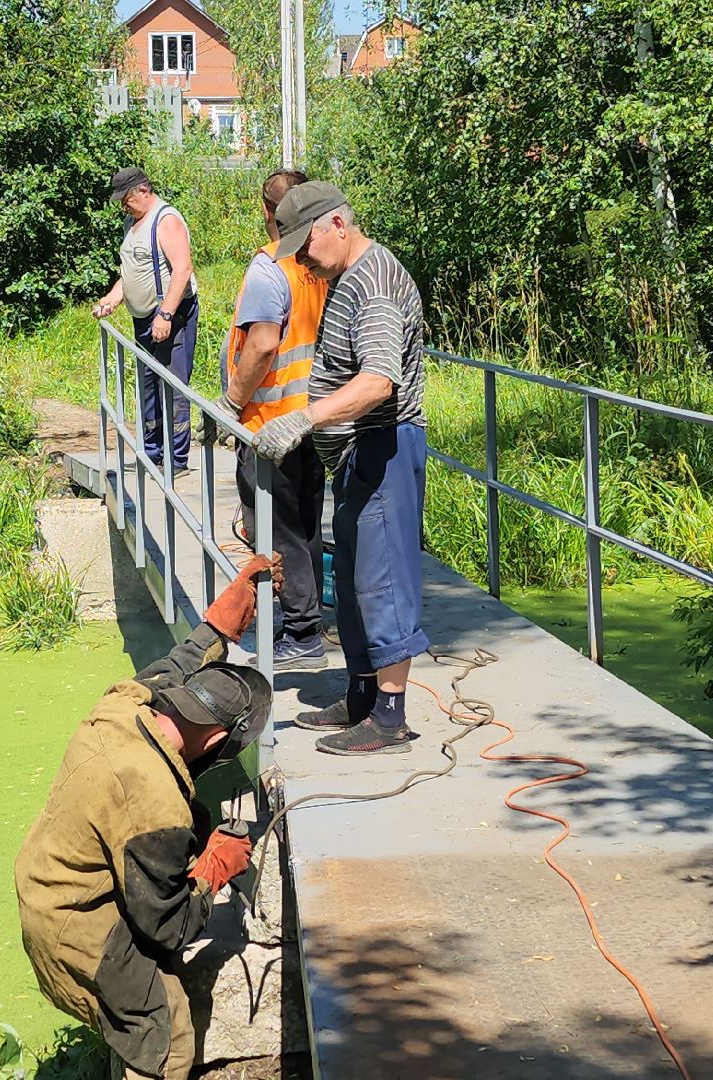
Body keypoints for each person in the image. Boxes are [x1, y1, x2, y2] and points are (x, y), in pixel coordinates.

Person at [14, 555, 277, 1080]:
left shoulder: (123, 706)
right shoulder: (156, 805)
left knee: (196, 823)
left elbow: (173, 670)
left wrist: (216, 630)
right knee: (165, 1029)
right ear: (222, 741)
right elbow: (167, 927)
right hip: (76, 929)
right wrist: (213, 871)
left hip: (45, 883)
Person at [249, 181, 429, 757]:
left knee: (381, 582)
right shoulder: (348, 276)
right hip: (358, 455)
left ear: (339, 225)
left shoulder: (373, 283)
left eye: (307, 244)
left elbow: (379, 381)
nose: (302, 257)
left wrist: (304, 420)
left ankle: (391, 717)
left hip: (384, 448)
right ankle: (361, 696)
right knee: (352, 581)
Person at [216, 168, 330, 672]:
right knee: (304, 523)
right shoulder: (318, 262)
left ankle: (303, 632)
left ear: (269, 212)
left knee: (277, 530)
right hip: (313, 417)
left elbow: (262, 343)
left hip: (270, 423)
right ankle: (310, 619)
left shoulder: (270, 268)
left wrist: (230, 404)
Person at [93, 167, 199, 471]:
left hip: (170, 314)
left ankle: (176, 461)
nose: (124, 205)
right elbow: (131, 270)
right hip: (143, 319)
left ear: (144, 190)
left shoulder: (166, 221)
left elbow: (183, 269)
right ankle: (152, 454)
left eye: (126, 199)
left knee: (173, 386)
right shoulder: (132, 222)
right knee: (149, 385)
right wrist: (113, 299)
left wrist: (166, 314)